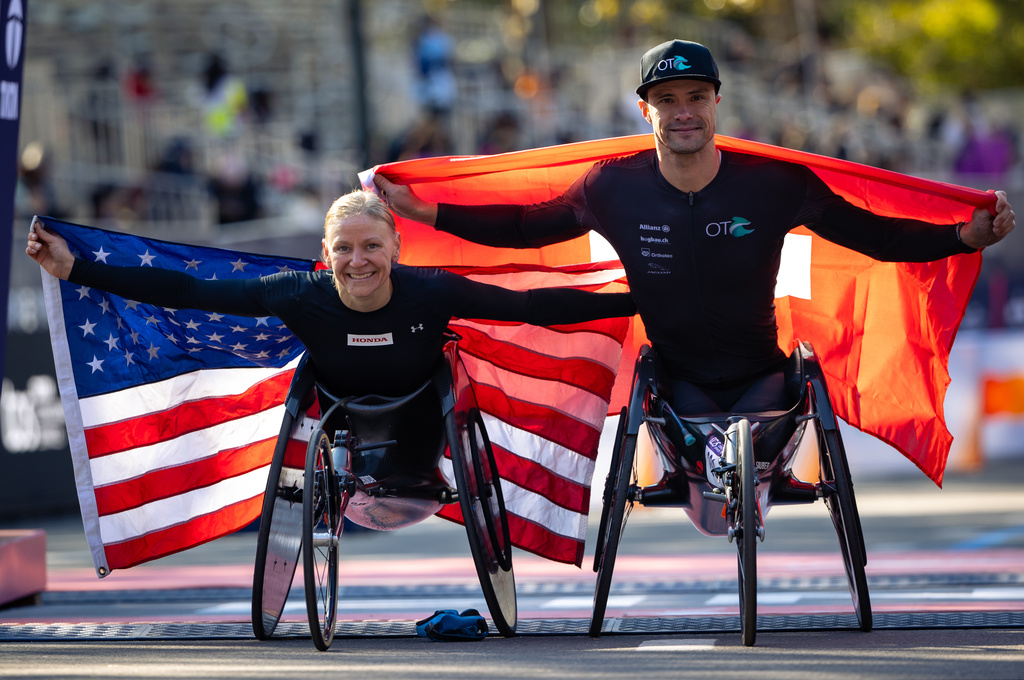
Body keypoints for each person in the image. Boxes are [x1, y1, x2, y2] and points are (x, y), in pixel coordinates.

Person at [375, 39, 1017, 415]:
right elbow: (526, 228)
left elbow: (876, 236)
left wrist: (964, 238)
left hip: (766, 379)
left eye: (695, 98)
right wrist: (428, 213)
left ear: (717, 102)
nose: (682, 113)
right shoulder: (611, 185)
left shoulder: (776, 183)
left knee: (767, 411)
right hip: (671, 384)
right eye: (667, 101)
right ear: (644, 109)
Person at [26, 189, 635, 401]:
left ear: (396, 249)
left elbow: (530, 309)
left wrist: (636, 303)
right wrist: (77, 270)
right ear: (326, 256)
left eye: (371, 247)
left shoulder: (432, 290)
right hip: (337, 412)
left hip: (422, 409)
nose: (357, 261)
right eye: (343, 249)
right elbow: (186, 289)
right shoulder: (297, 293)